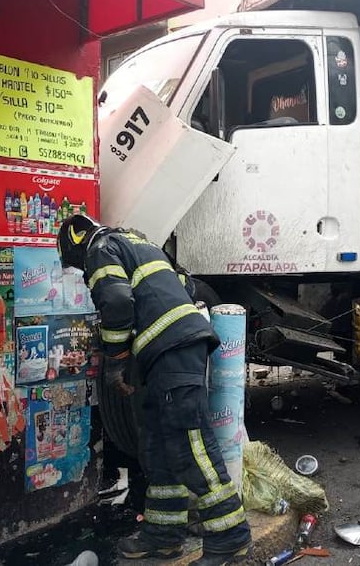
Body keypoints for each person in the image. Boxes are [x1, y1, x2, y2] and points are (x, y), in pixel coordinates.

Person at [57, 214, 252, 565]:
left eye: (76, 267)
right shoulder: (139, 242)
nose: (83, 274)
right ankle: (163, 535)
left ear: (75, 247)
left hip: (173, 353)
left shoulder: (100, 249)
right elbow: (186, 286)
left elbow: (116, 300)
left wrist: (115, 357)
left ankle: (230, 536)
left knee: (192, 446)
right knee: (158, 445)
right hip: (164, 354)